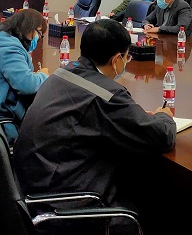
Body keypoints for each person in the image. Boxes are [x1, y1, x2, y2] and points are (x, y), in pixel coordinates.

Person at [13, 19, 175, 235]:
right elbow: (161, 136)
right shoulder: (106, 94)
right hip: (61, 203)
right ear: (116, 59)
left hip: (30, 185)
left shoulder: (62, 74)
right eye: (126, 57)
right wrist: (165, 117)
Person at [0, 9, 49, 143]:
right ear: (29, 28)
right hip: (1, 122)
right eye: (39, 34)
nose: (38, 39)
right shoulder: (10, 49)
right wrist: (43, 75)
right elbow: (27, 85)